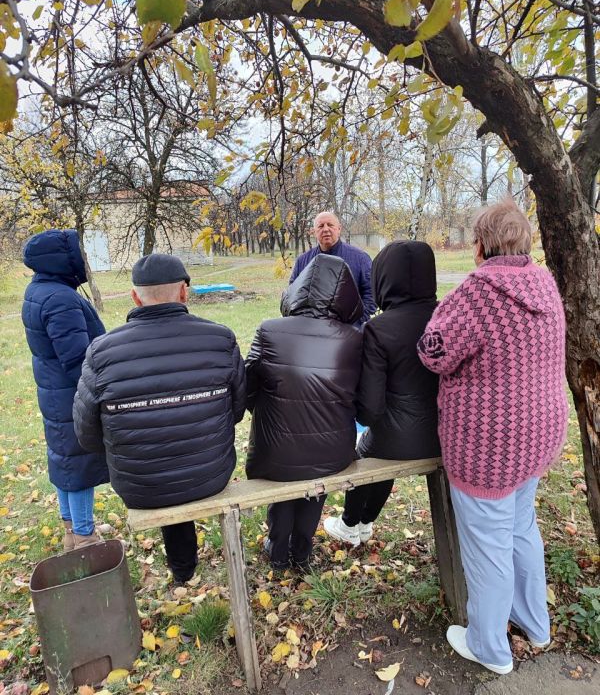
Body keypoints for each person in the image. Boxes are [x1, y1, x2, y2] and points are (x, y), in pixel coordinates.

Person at [417, 200, 568, 675]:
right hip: (539, 435)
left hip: (490, 446)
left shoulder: (477, 293)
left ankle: (490, 647)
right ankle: (535, 624)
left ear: (479, 245)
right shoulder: (545, 284)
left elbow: (433, 353)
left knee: (488, 545)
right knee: (522, 528)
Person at [73, 253, 245, 584]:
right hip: (211, 471)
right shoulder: (220, 339)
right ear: (184, 292)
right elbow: (236, 410)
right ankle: (186, 568)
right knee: (174, 465)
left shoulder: (101, 352)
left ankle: (183, 570)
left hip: (141, 484)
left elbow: (86, 432)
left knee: (163, 467)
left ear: (135, 297)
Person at [246, 254, 363, 570]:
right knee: (314, 486)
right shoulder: (354, 338)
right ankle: (302, 550)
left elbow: (249, 384)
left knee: (285, 479)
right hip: (332, 452)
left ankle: (278, 548)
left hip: (276, 451)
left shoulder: (269, 330)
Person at [324, 240, 441, 547]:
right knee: (379, 446)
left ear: (383, 279)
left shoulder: (380, 329)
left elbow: (371, 408)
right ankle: (365, 523)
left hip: (399, 439)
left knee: (368, 450)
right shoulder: (448, 317)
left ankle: (352, 523)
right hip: (448, 435)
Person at [22, 229, 109, 551]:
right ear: (62, 259)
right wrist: (98, 392)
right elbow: (77, 358)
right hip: (70, 394)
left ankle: (72, 526)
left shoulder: (40, 290)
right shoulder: (60, 299)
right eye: (79, 254)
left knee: (65, 460)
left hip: (54, 391)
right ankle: (84, 536)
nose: (84, 261)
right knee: (78, 462)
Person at [290, 211, 376, 324]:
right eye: (320, 226)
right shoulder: (303, 261)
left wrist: (357, 322)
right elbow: (293, 296)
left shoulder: (360, 258)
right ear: (314, 232)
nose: (325, 229)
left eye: (330, 225)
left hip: (349, 332)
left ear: (339, 229)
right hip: (313, 330)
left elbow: (371, 293)